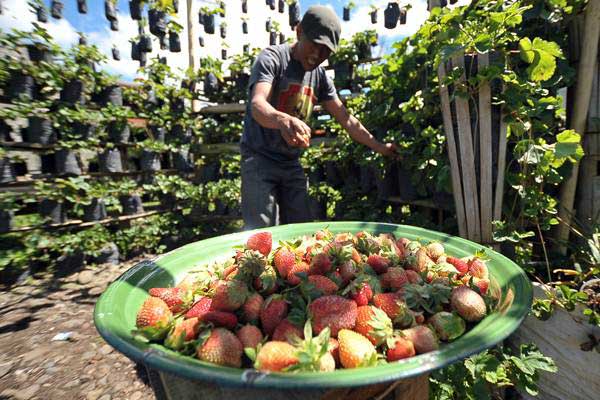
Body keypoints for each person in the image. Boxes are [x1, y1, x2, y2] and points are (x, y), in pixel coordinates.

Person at [240, 5, 398, 230]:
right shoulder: (273, 59)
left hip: (290, 163)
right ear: (299, 31)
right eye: (314, 45)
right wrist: (283, 120)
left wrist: (381, 147)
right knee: (261, 232)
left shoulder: (320, 77)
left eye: (325, 51)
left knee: (302, 232)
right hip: (259, 160)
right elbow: (257, 105)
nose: (317, 55)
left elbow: (347, 120)